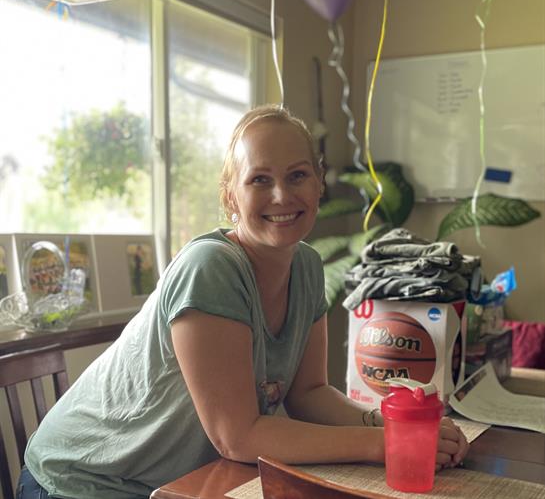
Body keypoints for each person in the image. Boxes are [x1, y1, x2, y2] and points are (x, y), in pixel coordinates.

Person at [18, 105, 468, 499]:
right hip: (81, 482)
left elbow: (308, 394)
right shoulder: (211, 268)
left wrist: (396, 425)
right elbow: (237, 438)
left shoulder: (307, 267)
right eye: (259, 180)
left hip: (171, 483)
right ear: (231, 195)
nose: (282, 195)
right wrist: (384, 445)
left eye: (298, 175)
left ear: (318, 183)